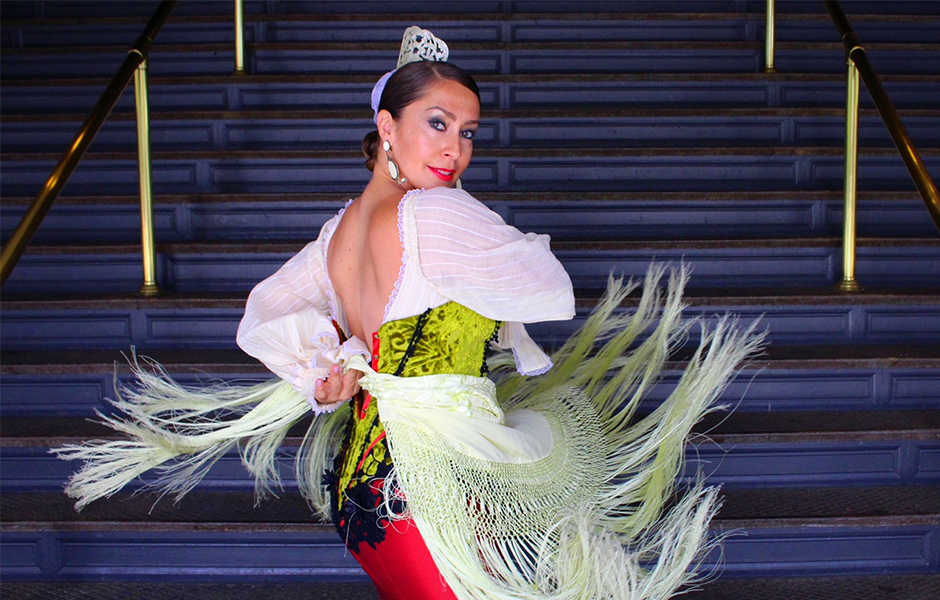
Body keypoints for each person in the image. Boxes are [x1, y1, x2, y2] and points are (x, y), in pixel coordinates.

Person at [56, 27, 763, 600]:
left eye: (469, 130)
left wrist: (326, 369)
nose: (456, 147)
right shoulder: (437, 212)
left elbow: (267, 311)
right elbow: (548, 284)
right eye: (437, 123)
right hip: (432, 476)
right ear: (386, 127)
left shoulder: (338, 231)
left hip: (363, 483)